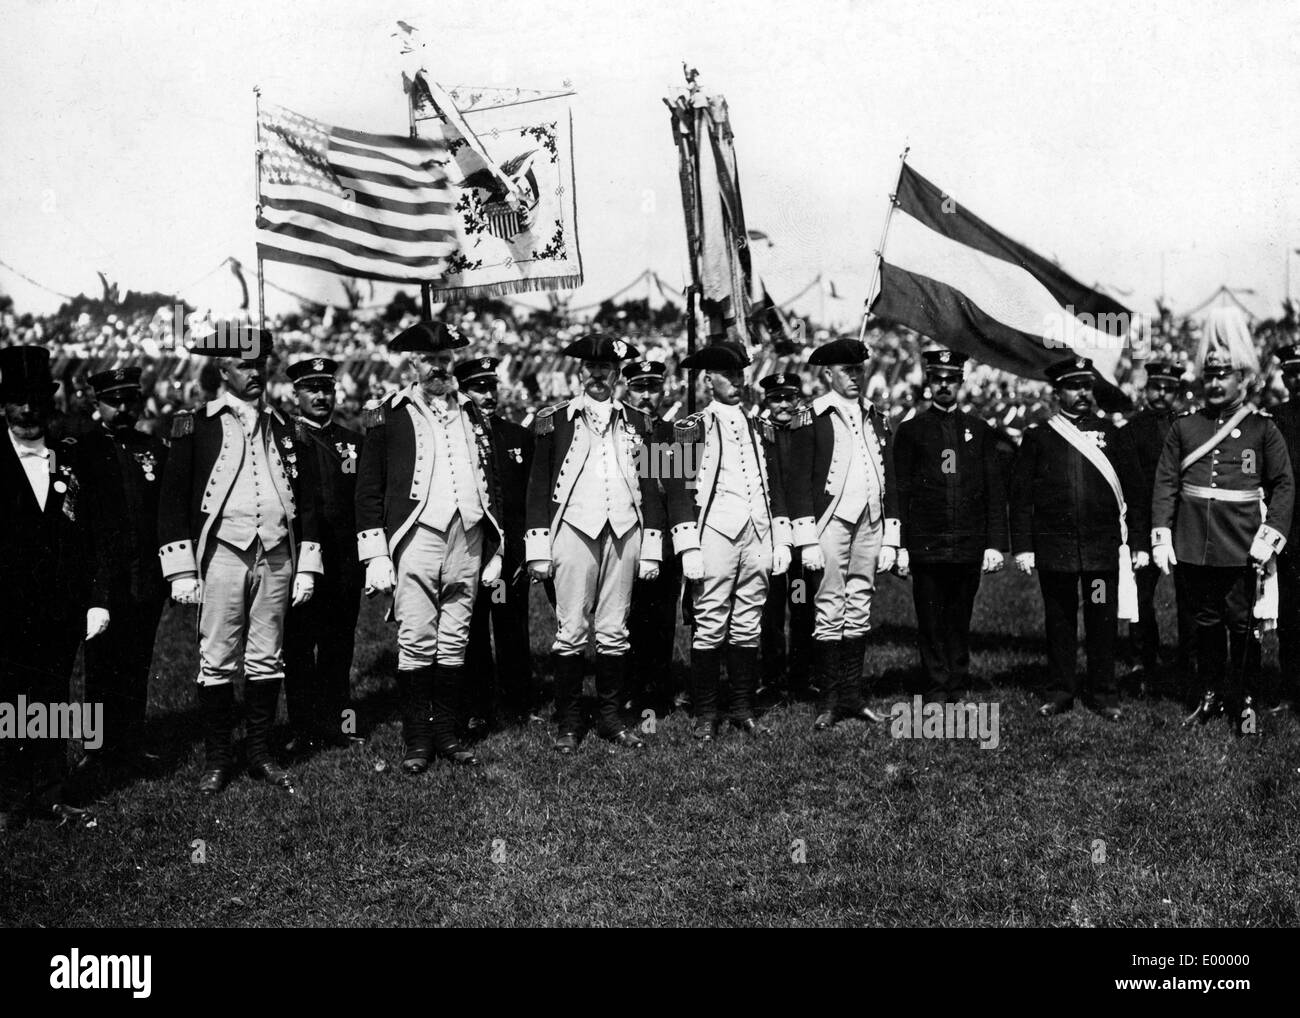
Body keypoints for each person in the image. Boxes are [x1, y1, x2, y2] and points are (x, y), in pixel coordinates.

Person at [157, 328, 324, 795]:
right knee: (217, 657)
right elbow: (172, 502)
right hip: (223, 554)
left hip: (276, 553)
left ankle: (260, 751)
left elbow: (306, 500)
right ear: (222, 370)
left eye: (261, 363)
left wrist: (307, 562)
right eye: (245, 365)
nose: (256, 373)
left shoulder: (286, 425)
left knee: (267, 656)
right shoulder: (197, 424)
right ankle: (217, 758)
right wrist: (182, 569)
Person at [354, 321, 504, 771]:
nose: (439, 367)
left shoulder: (473, 412)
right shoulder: (388, 414)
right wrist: (376, 554)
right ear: (413, 364)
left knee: (455, 638)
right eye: (429, 360)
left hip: (469, 534)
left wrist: (497, 549)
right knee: (417, 638)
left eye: (444, 359)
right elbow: (369, 491)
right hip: (416, 535)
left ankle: (448, 734)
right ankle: (418, 739)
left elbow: (490, 478)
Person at [1150, 309, 1294, 730]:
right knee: (1205, 623)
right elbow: (1166, 483)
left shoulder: (1262, 429)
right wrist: (1162, 533)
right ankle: (1210, 693)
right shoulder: (1185, 427)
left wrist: (1271, 536)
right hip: (1194, 541)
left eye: (1224, 376)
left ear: (1243, 378)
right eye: (1209, 376)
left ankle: (1245, 698)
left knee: (1242, 624)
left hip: (1242, 543)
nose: (1214, 383)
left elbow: (1283, 484)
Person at [525, 334, 666, 753]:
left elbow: (656, 490)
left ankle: (610, 718)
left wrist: (653, 546)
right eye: (591, 368)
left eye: (606, 369)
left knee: (614, 630)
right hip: (573, 529)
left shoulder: (642, 423)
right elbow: (537, 487)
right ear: (579, 372)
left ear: (618, 375)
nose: (598, 375)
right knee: (571, 631)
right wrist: (537, 547)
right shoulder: (553, 420)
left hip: (625, 531)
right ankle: (569, 723)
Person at [0, 346, 116, 829]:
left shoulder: (70, 456)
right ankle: (7, 799)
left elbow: (96, 534)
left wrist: (96, 600)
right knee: (8, 700)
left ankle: (49, 792)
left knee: (51, 699)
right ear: (3, 405)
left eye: (36, 398)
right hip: (6, 608)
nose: (29, 409)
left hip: (61, 607)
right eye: (18, 400)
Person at [1010, 355, 1148, 721]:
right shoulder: (1040, 436)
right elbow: (1021, 496)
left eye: (1087, 385)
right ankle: (1060, 691)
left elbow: (1134, 491)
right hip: (1056, 549)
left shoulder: (1113, 434)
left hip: (1100, 550)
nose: (1083, 393)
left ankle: (1104, 693)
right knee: (1059, 619)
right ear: (1057, 393)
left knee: (1102, 619)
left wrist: (1138, 543)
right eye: (1074, 387)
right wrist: (1023, 546)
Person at [665, 342, 791, 740]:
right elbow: (674, 487)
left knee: (749, 621)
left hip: (757, 532)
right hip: (714, 533)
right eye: (728, 376)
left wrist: (781, 538)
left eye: (740, 376)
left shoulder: (760, 426)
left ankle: (741, 707)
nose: (737, 383)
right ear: (708, 380)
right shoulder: (688, 427)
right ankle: (706, 712)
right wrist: (687, 545)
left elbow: (777, 484)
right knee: (710, 621)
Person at [784, 337, 899, 731]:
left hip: (870, 520)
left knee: (860, 601)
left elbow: (891, 478)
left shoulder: (877, 416)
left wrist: (892, 535)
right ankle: (830, 699)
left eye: (858, 369)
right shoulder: (811, 415)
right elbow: (798, 480)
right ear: (828, 374)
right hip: (829, 521)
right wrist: (806, 538)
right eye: (846, 371)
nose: (854, 376)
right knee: (829, 605)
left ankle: (853, 695)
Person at [893, 349, 1008, 702]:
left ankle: (956, 681)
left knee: (959, 616)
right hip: (927, 544)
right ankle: (934, 683)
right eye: (937, 379)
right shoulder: (912, 431)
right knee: (930, 618)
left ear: (961, 383)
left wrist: (993, 543)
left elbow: (993, 489)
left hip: (967, 543)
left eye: (951, 379)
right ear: (928, 383)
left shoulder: (980, 430)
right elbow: (901, 491)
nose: (944, 385)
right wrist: (900, 545)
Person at [80, 366, 169, 771]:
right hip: (103, 579)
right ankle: (96, 752)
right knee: (99, 668)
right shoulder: (81, 449)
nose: (121, 408)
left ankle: (130, 744)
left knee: (137, 665)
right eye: (112, 401)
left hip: (145, 577)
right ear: (95, 404)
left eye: (128, 400)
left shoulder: (152, 448)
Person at [282, 356, 365, 753]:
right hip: (301, 561)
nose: (320, 396)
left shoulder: (352, 441)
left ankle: (339, 720)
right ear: (294, 394)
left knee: (340, 644)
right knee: (299, 646)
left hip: (345, 559)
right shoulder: (285, 440)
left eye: (326, 388)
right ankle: (304, 727)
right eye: (311, 389)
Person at [457, 356, 537, 729]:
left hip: (508, 561)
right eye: (479, 388)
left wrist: (522, 553)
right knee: (472, 631)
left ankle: (518, 701)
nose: (488, 395)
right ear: (462, 391)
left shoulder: (517, 436)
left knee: (510, 628)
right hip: (470, 556)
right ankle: (477, 706)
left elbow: (528, 501)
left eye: (492, 387)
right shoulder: (455, 439)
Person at [1115, 358, 1195, 696]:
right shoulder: (1131, 431)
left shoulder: (1191, 428)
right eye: (1156, 387)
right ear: (1146, 389)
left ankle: (1189, 662)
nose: (1161, 394)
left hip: (1186, 526)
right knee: (1141, 598)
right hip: (1146, 526)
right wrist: (1138, 540)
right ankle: (1143, 660)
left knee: (1190, 597)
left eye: (1169, 389)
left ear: (1177, 392)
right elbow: (1132, 489)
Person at [622, 358, 682, 713]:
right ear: (626, 390)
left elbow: (676, 493)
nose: (646, 396)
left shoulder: (671, 433)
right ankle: (627, 688)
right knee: (627, 617)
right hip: (625, 536)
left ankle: (658, 689)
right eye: (639, 388)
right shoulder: (616, 429)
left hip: (664, 541)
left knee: (661, 619)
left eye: (653, 388)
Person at [756, 371, 815, 703]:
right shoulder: (759, 433)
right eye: (776, 398)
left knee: (802, 605)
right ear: (767, 401)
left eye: (789, 398)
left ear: (798, 400)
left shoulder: (807, 432)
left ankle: (802, 675)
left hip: (804, 536)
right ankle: (772, 677)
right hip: (771, 539)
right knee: (771, 611)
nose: (783, 405)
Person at [1267, 342, 1300, 714]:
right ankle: (1291, 689)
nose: (1298, 378)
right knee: (1291, 614)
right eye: (1291, 371)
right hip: (1291, 526)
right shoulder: (1274, 419)